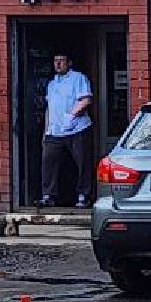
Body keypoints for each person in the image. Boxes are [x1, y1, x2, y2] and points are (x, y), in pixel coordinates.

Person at [38, 52, 94, 208]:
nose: (58, 64)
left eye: (61, 61)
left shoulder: (78, 78)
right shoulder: (52, 84)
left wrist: (72, 115)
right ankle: (48, 195)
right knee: (48, 161)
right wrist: (46, 131)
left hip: (77, 128)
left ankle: (84, 195)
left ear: (69, 63)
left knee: (82, 163)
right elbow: (49, 108)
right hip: (55, 131)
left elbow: (86, 100)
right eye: (55, 61)